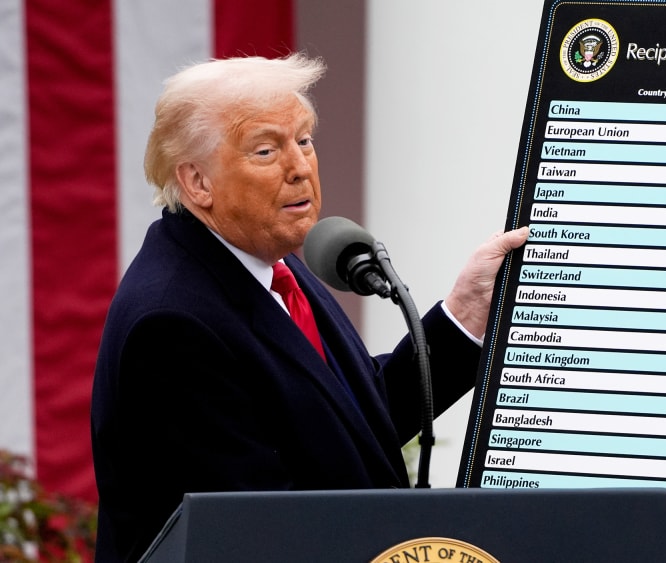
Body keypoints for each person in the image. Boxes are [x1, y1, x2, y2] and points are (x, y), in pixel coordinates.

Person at [90, 53, 528, 563]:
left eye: (304, 141)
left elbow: (350, 425)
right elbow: (262, 535)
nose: (299, 168)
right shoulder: (172, 326)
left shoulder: (266, 260)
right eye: (265, 150)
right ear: (197, 183)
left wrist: (466, 314)